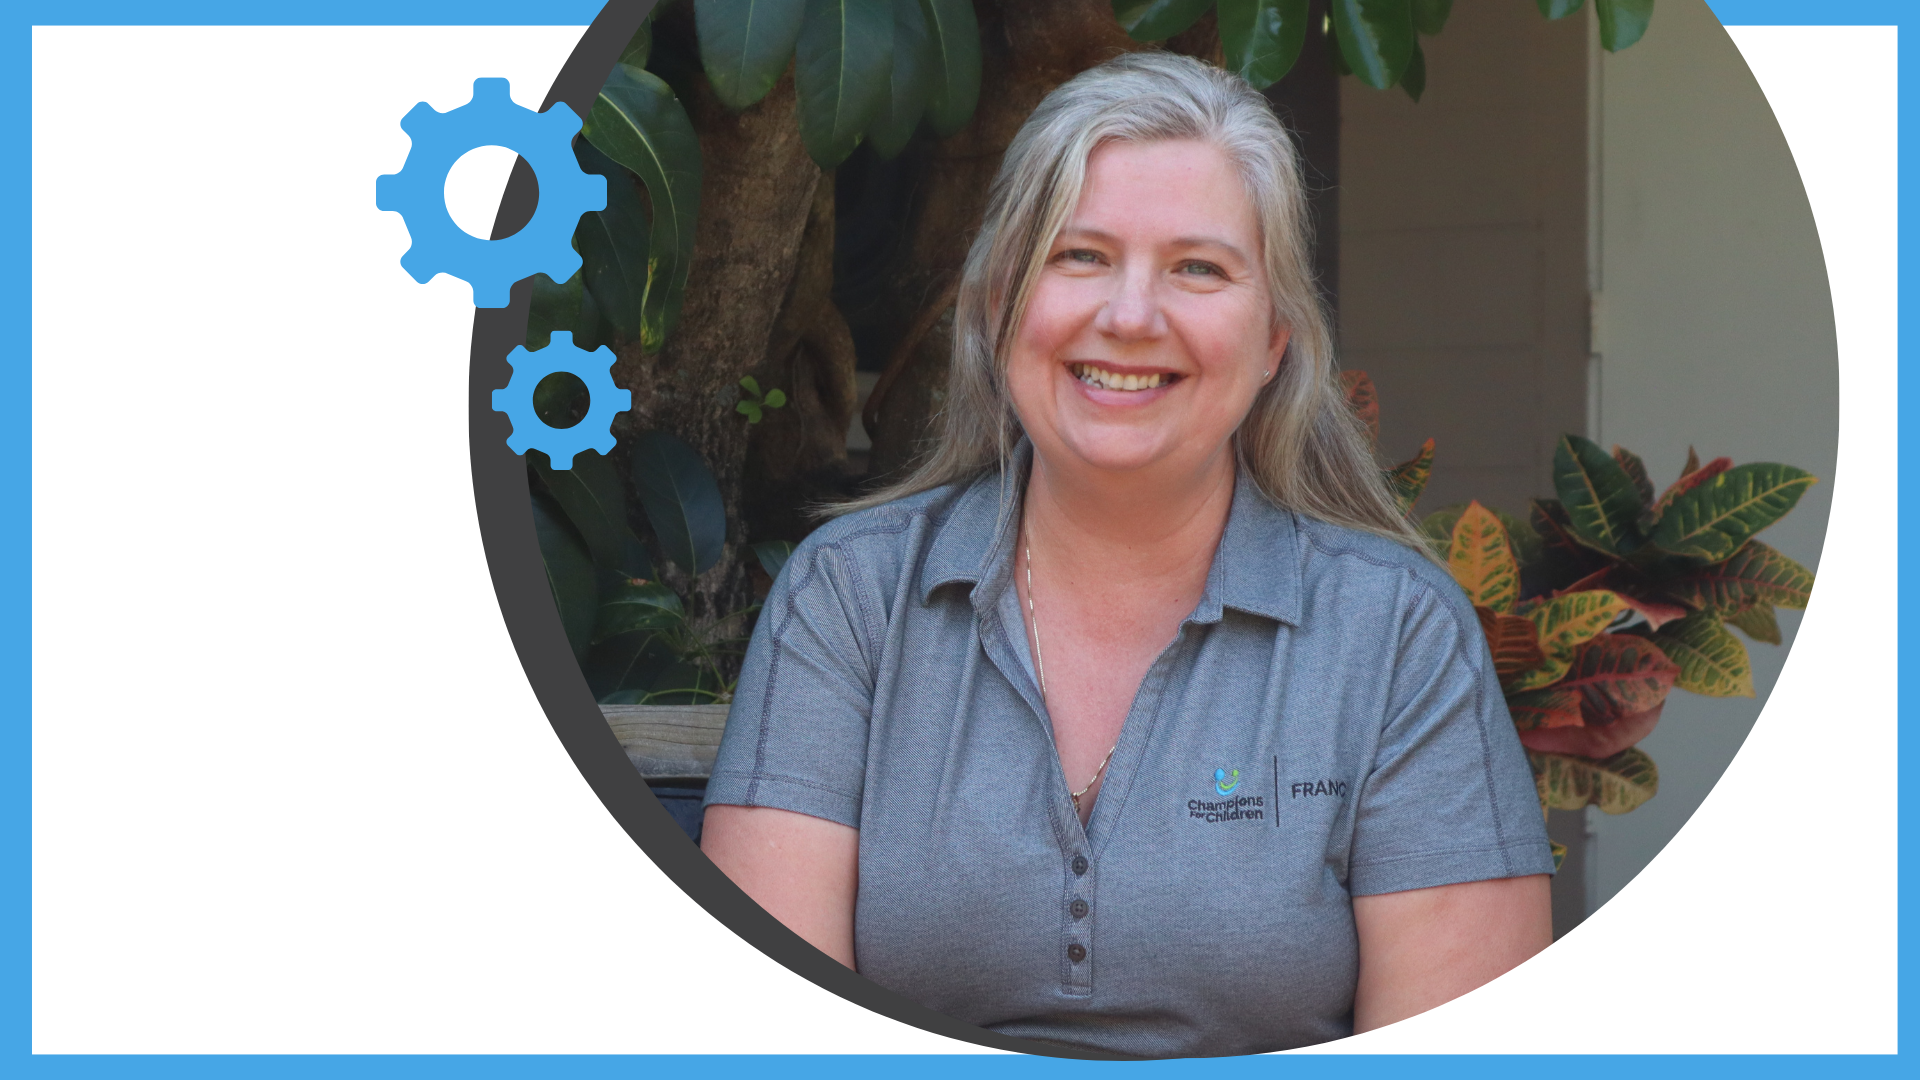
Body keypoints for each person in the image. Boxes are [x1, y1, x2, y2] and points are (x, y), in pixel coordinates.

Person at [699, 51, 1554, 1057]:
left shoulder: (1396, 634)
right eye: (1080, 256)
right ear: (996, 304)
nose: (1131, 316)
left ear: (1275, 335)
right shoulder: (849, 600)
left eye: (1198, 267)